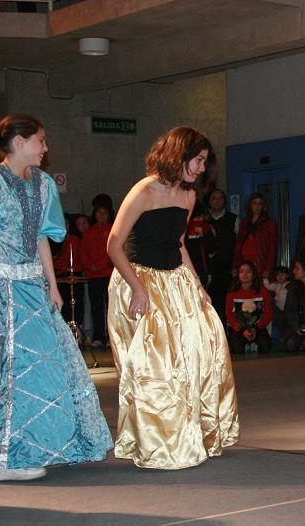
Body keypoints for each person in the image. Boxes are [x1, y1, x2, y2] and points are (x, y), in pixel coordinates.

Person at [0, 114, 111, 481]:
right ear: (19, 142)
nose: (45, 148)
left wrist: (52, 285)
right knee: (2, 373)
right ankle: (2, 460)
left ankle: (33, 448)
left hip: (32, 287)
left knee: (43, 368)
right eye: (40, 140)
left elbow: (41, 238)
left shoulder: (42, 183)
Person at [106, 126, 239, 470]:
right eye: (198, 160)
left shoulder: (188, 197)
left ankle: (187, 434)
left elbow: (179, 245)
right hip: (137, 278)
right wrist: (138, 288)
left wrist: (197, 284)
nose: (201, 168)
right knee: (155, 366)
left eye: (205, 162)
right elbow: (114, 245)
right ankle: (157, 443)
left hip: (173, 280)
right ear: (179, 155)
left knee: (202, 348)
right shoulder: (144, 191)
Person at [80, 203, 113, 346]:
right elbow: (82, 252)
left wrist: (98, 266)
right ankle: (98, 336)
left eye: (104, 212)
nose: (101, 215)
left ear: (109, 214)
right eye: (99, 212)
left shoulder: (113, 229)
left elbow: (113, 251)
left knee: (112, 307)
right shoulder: (89, 232)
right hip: (93, 276)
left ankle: (112, 337)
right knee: (96, 307)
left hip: (108, 274)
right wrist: (90, 266)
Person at [225, 261, 273, 355]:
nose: (245, 274)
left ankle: (253, 343)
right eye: (242, 271)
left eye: (248, 271)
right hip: (239, 328)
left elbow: (268, 313)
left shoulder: (263, 292)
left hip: (257, 327)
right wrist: (242, 330)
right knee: (237, 350)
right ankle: (246, 344)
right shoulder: (232, 293)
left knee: (266, 348)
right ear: (238, 275)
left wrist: (256, 328)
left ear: (254, 275)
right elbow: (229, 315)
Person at [205, 188, 237, 328]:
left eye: (220, 198)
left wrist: (236, 266)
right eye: (214, 198)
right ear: (209, 201)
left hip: (227, 269)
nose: (217, 201)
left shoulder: (233, 219)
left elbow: (238, 245)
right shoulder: (203, 220)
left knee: (226, 305)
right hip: (208, 269)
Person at [233, 192, 278, 281]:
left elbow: (273, 247)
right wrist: (235, 265)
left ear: (263, 206)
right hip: (243, 259)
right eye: (255, 203)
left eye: (260, 204)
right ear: (250, 204)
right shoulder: (244, 222)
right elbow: (238, 244)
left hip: (260, 260)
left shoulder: (269, 224)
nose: (257, 206)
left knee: (258, 284)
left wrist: (268, 268)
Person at [184, 202, 215, 289]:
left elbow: (212, 248)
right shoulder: (183, 230)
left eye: (201, 217)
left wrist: (203, 235)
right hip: (187, 270)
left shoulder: (207, 228)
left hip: (204, 270)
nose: (199, 220)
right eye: (197, 217)